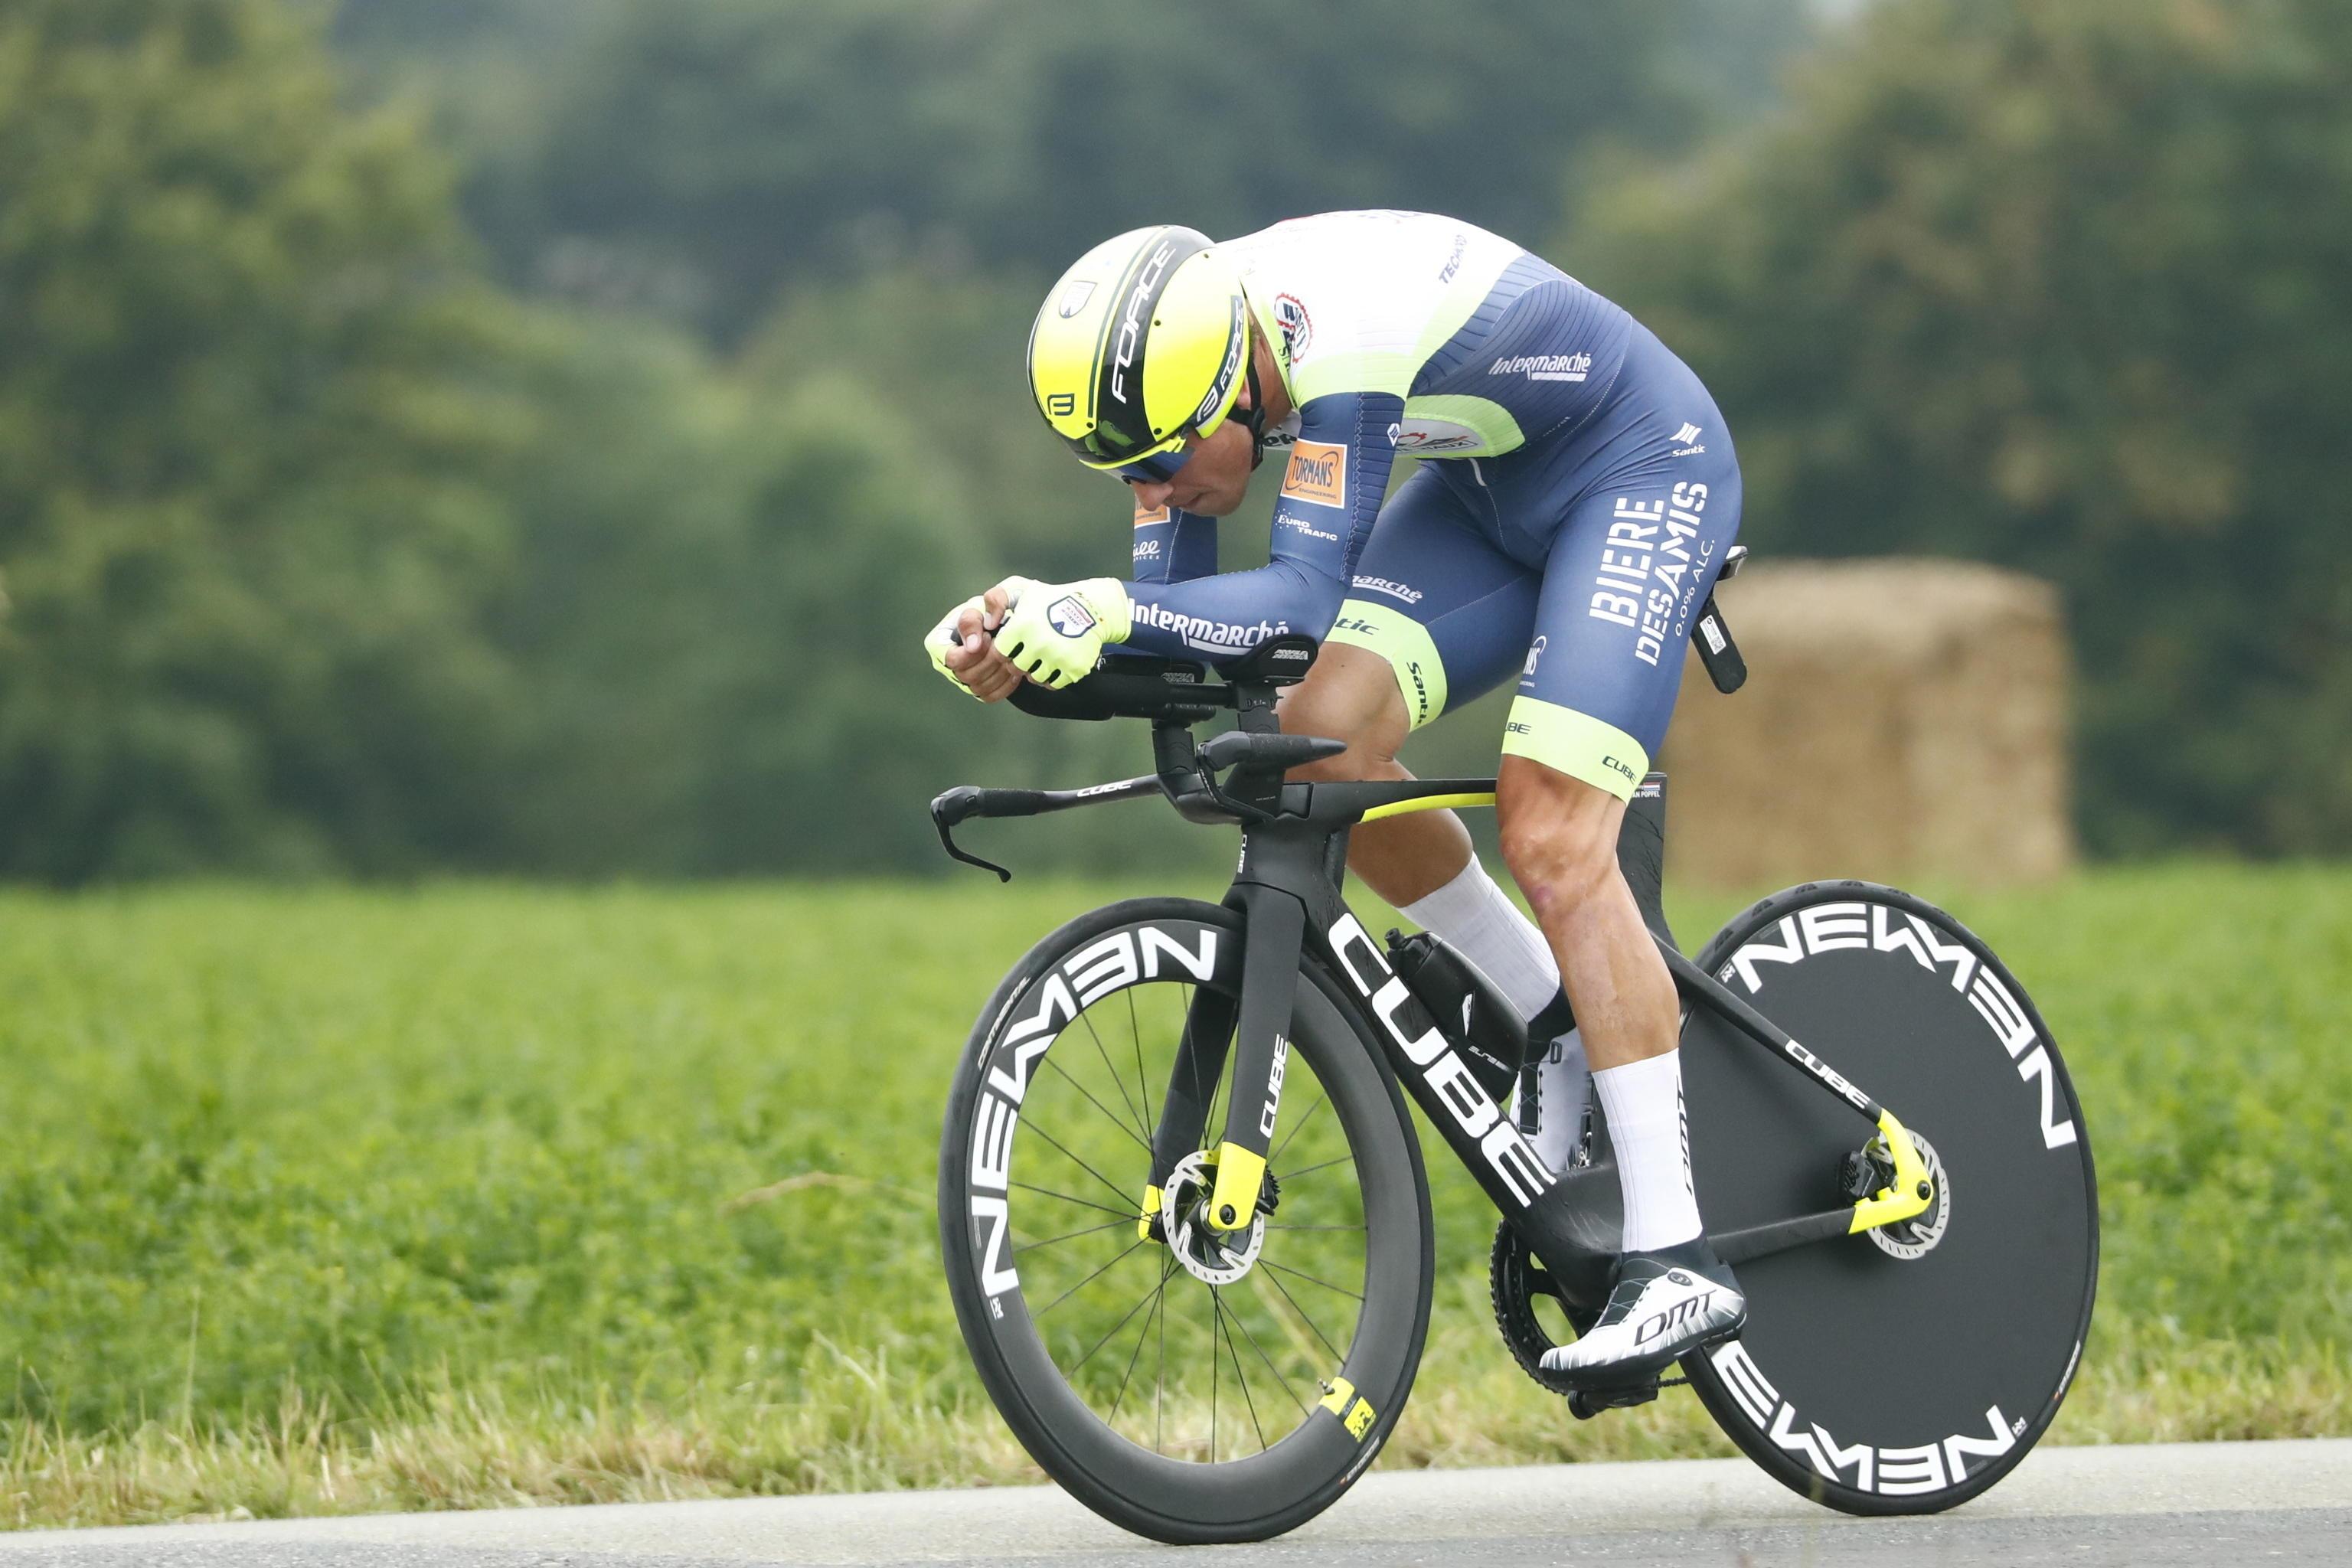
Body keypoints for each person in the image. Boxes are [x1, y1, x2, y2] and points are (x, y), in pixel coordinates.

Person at [924, 212, 1743, 1386]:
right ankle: (1547, 1015)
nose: (1151, 492)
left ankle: (1676, 1256)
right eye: (1121, 475)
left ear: (1231, 394)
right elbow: (1198, 650)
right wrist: (1030, 643)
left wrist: (1099, 606)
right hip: (1487, 491)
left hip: (1636, 466)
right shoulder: (1186, 387)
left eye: (1159, 464)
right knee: (1308, 742)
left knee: (1554, 837)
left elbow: (1302, 600)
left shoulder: (1332, 330)